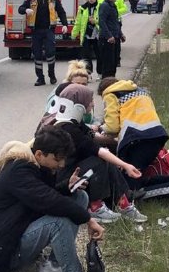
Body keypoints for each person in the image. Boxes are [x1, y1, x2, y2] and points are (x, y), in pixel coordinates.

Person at [0, 127, 111, 272]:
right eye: (57, 159)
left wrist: (67, 186)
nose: (62, 164)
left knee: (79, 198)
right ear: (40, 153)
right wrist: (89, 219)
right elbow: (48, 201)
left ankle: (53, 265)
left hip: (13, 234)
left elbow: (42, 198)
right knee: (59, 222)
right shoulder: (19, 170)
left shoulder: (37, 165)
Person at [53, 84, 147, 224]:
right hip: (66, 179)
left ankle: (123, 202)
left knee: (106, 158)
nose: (92, 103)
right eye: (89, 100)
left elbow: (92, 136)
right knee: (99, 160)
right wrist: (125, 165)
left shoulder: (73, 123)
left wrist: (116, 141)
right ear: (79, 104)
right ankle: (95, 208)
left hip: (74, 170)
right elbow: (97, 150)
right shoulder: (67, 129)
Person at [98, 77, 169, 206]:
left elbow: (112, 126)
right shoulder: (140, 91)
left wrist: (99, 129)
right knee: (137, 175)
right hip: (156, 135)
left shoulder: (111, 94)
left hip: (136, 140)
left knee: (130, 189)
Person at [18, 0, 68, 86]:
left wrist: (65, 25)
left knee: (50, 52)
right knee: (37, 54)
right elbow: (20, 8)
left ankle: (52, 75)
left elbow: (61, 12)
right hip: (36, 31)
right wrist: (26, 10)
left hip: (49, 30)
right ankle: (40, 78)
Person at [97, 0, 127, 68]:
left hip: (115, 37)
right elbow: (102, 21)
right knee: (107, 64)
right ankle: (106, 80)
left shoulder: (113, 5)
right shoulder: (104, 5)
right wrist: (109, 36)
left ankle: (112, 80)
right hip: (107, 39)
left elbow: (116, 22)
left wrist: (121, 34)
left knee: (113, 63)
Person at [72, 0, 100, 77]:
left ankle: (100, 73)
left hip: (97, 35)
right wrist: (74, 33)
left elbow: (103, 21)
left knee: (99, 55)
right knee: (86, 56)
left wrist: (95, 21)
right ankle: (88, 73)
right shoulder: (82, 8)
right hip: (86, 35)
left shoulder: (100, 7)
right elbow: (78, 22)